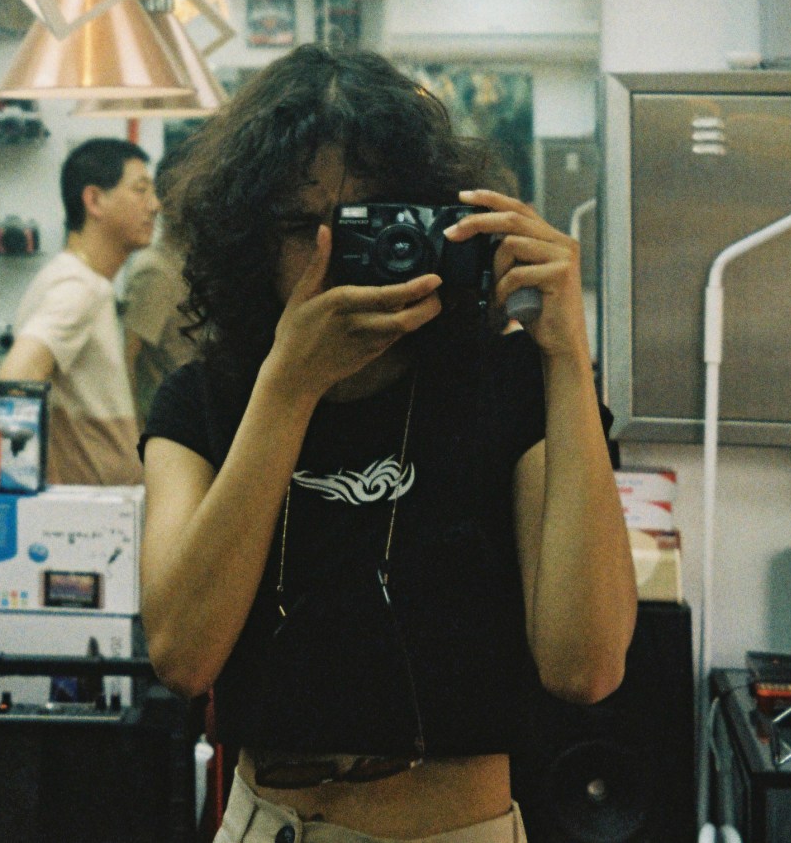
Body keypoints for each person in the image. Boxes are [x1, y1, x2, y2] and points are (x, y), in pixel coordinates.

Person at [141, 46, 635, 843]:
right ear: (249, 239)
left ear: (439, 222)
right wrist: (287, 387)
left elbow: (587, 666)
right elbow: (181, 656)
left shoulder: (507, 385)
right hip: (267, 826)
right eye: (302, 226)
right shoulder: (207, 398)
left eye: (375, 222)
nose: (337, 255)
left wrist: (568, 357)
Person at [0, 137, 160, 486]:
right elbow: (14, 381)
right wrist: (28, 488)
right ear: (94, 200)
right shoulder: (79, 287)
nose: (155, 205)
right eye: (140, 190)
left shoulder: (78, 279)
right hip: (88, 519)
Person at [119, 136, 200, 423]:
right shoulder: (156, 269)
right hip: (164, 430)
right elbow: (127, 360)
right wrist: (135, 440)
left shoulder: (188, 262)